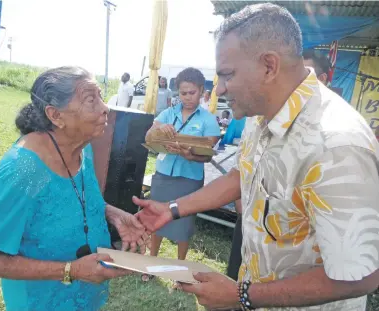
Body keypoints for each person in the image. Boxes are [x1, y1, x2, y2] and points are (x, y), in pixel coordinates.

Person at [133, 3, 379, 311]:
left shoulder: (337, 144)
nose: (219, 89)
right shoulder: (259, 113)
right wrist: (172, 209)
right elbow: (241, 176)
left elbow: (360, 276)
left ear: (269, 66)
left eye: (227, 75)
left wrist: (242, 295)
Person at [0, 67, 151, 311]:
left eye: (100, 96)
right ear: (55, 115)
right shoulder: (23, 171)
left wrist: (112, 214)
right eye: (90, 99)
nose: (105, 108)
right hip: (41, 302)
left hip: (86, 297)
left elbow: (71, 197)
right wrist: (70, 270)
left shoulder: (82, 148)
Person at [141, 67, 220, 288]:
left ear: (202, 91)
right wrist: (158, 129)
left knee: (183, 226)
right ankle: (151, 264)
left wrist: (191, 154)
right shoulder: (168, 113)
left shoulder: (208, 119)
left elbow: (208, 151)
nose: (187, 97)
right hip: (164, 175)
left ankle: (179, 272)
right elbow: (149, 135)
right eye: (183, 93)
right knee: (156, 221)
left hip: (189, 179)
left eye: (192, 92)